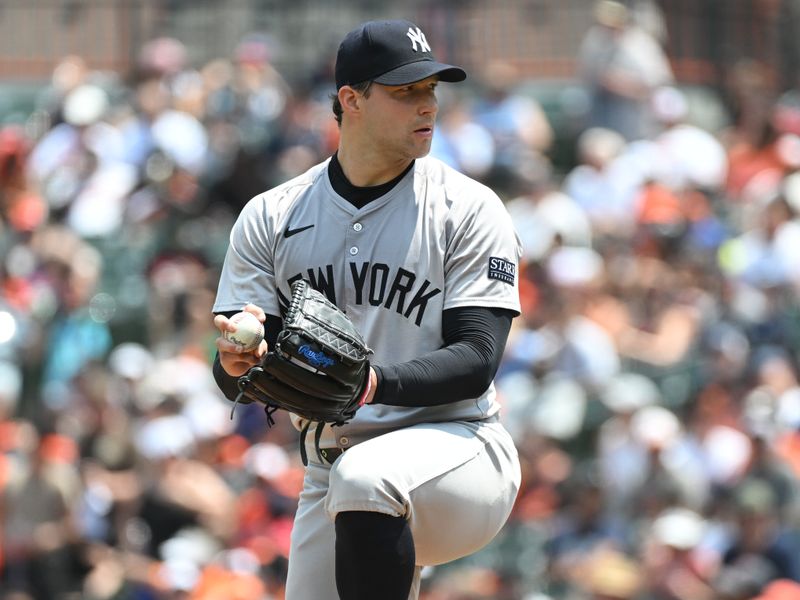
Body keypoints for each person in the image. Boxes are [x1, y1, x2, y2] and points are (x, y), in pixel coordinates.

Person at [210, 18, 522, 600]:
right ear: (351, 100)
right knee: (353, 480)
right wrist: (236, 364)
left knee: (367, 478)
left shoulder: (467, 208)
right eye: (406, 92)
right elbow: (240, 371)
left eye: (431, 89)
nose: (426, 104)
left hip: (459, 448)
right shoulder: (272, 216)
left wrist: (372, 385)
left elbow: (478, 358)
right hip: (332, 464)